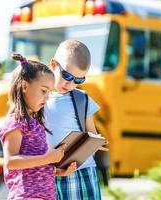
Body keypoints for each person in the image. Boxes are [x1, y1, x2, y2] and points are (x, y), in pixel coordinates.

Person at [46, 40, 108, 200]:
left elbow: (91, 133)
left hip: (81, 169)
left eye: (78, 80)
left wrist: (97, 142)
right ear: (53, 64)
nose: (70, 83)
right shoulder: (39, 97)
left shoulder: (82, 99)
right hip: (50, 171)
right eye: (66, 75)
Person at [0, 53, 65, 200]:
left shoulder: (35, 123)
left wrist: (57, 170)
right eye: (43, 91)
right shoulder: (15, 121)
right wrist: (47, 159)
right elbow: (11, 161)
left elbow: (35, 164)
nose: (47, 98)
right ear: (24, 86)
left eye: (49, 92)